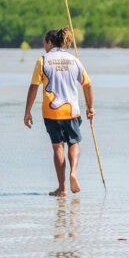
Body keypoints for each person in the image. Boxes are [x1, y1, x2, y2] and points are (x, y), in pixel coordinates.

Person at [23, 27, 93, 197]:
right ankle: (73, 172)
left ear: (49, 42)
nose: (44, 47)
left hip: (51, 111)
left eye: (44, 43)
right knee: (74, 143)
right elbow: (87, 85)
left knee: (58, 147)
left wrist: (27, 111)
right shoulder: (74, 60)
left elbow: (34, 87)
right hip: (72, 110)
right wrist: (90, 108)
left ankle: (62, 189)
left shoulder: (43, 60)